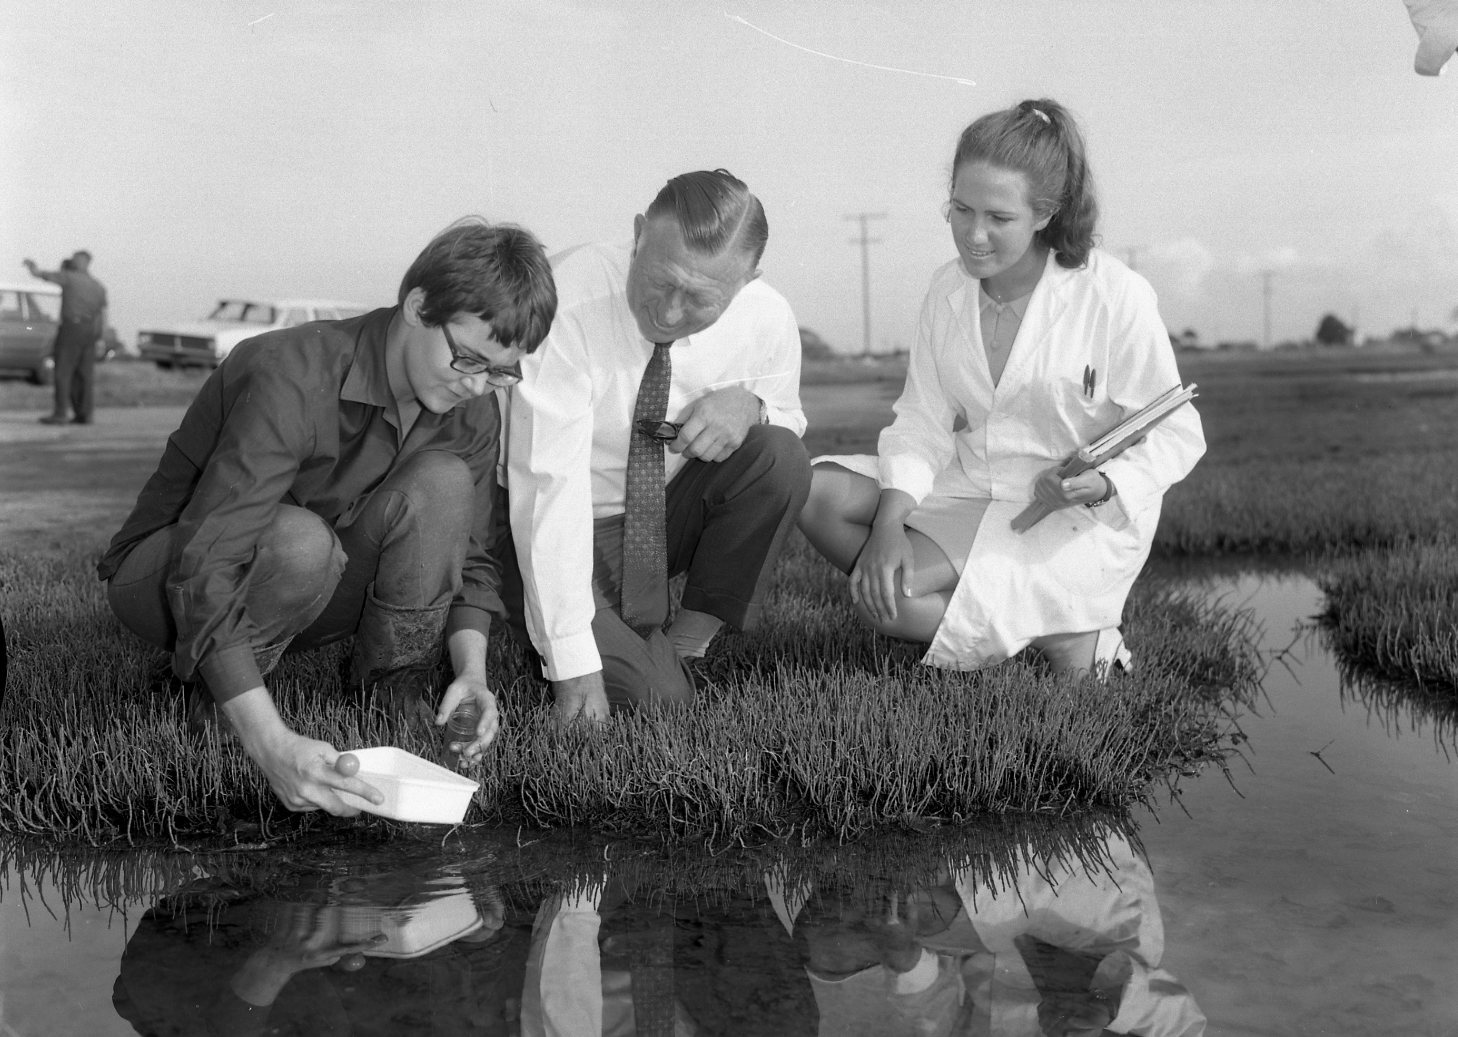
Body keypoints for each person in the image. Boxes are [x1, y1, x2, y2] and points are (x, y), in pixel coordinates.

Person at [97, 218, 557, 814]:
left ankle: (390, 691)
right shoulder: (289, 369)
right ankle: (218, 701)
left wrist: (472, 673)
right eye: (469, 359)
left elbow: (471, 558)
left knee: (442, 482)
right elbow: (207, 562)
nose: (478, 386)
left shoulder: (471, 409)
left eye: (502, 371)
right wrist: (271, 745)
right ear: (417, 307)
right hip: (165, 579)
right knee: (300, 541)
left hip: (319, 581)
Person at [798, 99, 1205, 677]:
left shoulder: (1114, 294)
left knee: (893, 608)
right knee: (815, 493)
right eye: (961, 209)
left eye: (998, 217)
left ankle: (1073, 636)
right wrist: (888, 524)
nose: (974, 234)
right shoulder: (946, 291)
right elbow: (921, 419)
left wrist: (1103, 483)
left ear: (1046, 213)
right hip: (971, 486)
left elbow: (1178, 432)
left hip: (1066, 513)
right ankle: (1044, 624)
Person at [506, 168, 811, 722]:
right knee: (657, 705)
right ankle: (560, 630)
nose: (668, 313)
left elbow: (789, 419)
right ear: (640, 232)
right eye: (659, 280)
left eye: (699, 299)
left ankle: (687, 644)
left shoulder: (768, 316)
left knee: (777, 455)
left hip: (656, 526)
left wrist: (752, 407)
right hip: (556, 523)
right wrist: (573, 670)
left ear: (748, 280)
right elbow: (544, 490)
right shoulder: (564, 299)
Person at [23, 249, 107, 425]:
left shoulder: (69, 277)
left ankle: (61, 413)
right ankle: (84, 414)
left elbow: (42, 274)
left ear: (82, 261)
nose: (73, 261)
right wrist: (100, 337)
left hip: (71, 329)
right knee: (84, 375)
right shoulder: (98, 286)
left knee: (63, 371)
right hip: (89, 332)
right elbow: (103, 313)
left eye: (76, 258)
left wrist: (33, 268)